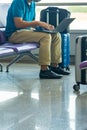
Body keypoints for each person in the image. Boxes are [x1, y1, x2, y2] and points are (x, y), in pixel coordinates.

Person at [5, 0, 70, 79]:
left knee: (56, 35)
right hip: (14, 34)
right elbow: (18, 24)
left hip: (27, 31)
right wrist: (38, 23)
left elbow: (31, 23)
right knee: (45, 37)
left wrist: (45, 27)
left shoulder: (32, 4)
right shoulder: (18, 2)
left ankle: (54, 66)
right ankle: (44, 70)